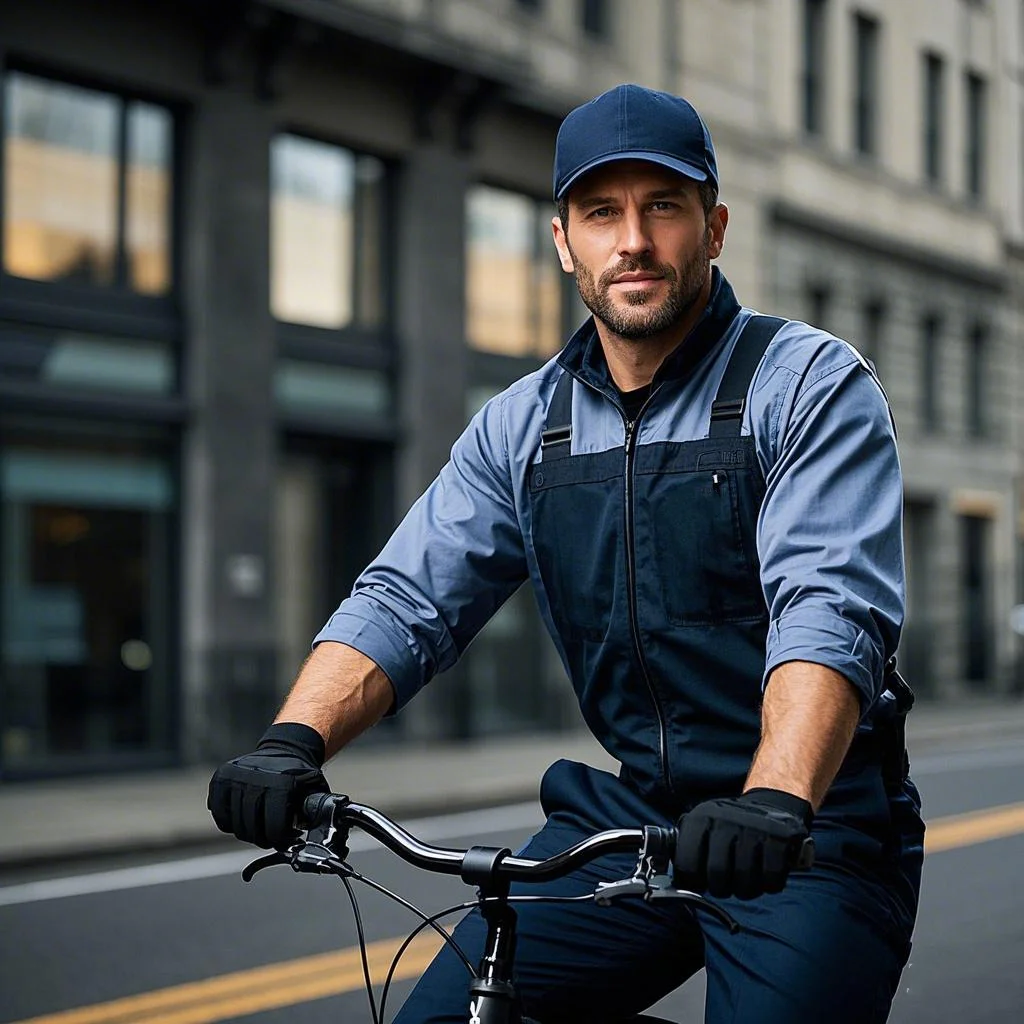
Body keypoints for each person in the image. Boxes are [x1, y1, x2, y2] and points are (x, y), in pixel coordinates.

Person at [208, 83, 925, 1022]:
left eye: (662, 207)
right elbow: (407, 598)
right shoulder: (523, 425)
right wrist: (289, 741)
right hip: (632, 821)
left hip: (810, 822)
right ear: (562, 243)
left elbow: (829, 610)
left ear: (713, 229)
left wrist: (776, 798)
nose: (632, 239)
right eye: (601, 213)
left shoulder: (806, 385)